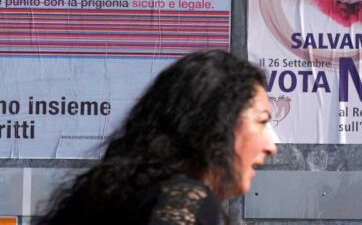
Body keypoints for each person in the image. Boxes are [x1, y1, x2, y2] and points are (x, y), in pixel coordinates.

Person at [41, 50, 278, 225]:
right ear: (217, 124)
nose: (272, 146)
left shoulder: (117, 196)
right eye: (262, 121)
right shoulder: (185, 198)